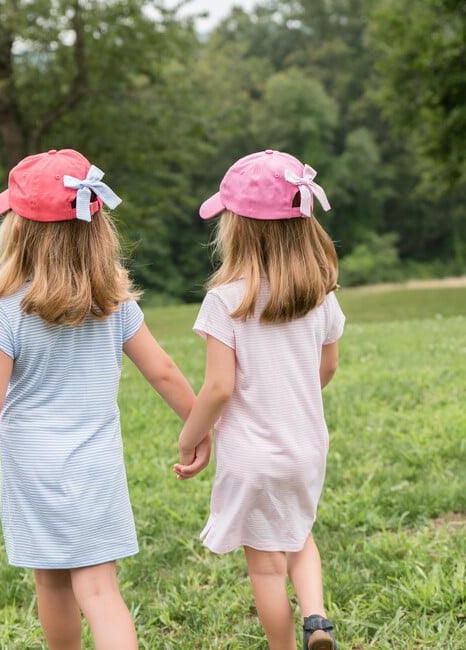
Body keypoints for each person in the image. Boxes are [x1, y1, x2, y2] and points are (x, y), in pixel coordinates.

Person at [0, 148, 209, 650]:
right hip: (96, 467)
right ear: (96, 228)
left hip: (34, 471)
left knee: (52, 583)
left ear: (18, 231)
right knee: (101, 591)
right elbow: (165, 372)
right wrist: (200, 428)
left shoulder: (4, 311)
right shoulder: (114, 305)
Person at [174, 149, 345, 650]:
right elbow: (328, 366)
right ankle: (316, 618)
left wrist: (190, 436)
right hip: (306, 447)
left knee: (266, 569)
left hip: (251, 456)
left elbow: (218, 388)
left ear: (238, 228)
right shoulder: (321, 291)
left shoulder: (226, 298)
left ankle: (285, 646)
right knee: (300, 534)